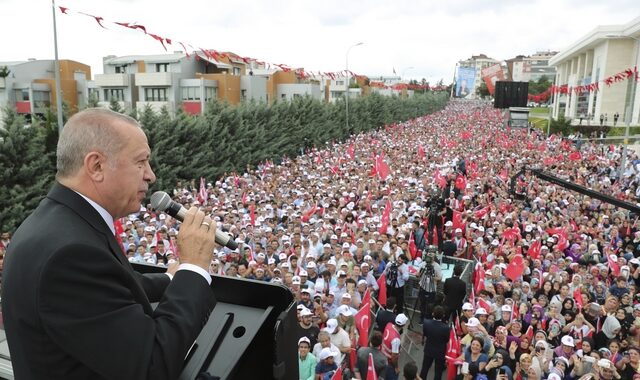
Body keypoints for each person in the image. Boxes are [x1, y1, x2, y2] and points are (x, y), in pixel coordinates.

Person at [2, 108, 217, 379]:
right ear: (97, 166)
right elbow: (152, 365)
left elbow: (104, 290)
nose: (150, 175)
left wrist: (168, 279)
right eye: (141, 162)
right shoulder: (70, 255)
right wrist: (194, 268)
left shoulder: (54, 224)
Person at [421, 306, 450, 380]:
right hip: (440, 352)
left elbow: (425, 334)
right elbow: (446, 340)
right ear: (443, 315)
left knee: (424, 369)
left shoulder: (426, 323)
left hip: (428, 349)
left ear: (433, 314)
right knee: (438, 372)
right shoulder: (446, 328)